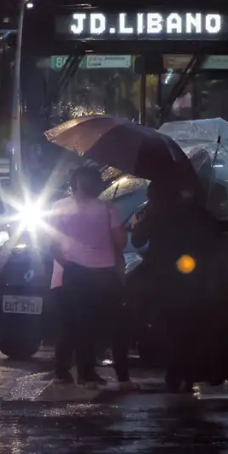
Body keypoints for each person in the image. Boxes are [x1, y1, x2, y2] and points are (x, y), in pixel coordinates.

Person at [131, 179, 228, 392]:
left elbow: (138, 241)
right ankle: (193, 373)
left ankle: (176, 374)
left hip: (166, 280)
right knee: (194, 327)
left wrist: (136, 225)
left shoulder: (155, 216)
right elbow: (216, 239)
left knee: (172, 329)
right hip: (197, 280)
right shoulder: (199, 214)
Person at [49, 165, 134, 388]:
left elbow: (51, 244)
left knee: (73, 324)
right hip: (100, 274)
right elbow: (121, 242)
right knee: (98, 324)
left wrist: (67, 264)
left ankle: (66, 371)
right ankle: (86, 372)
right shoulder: (107, 209)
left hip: (73, 273)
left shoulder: (59, 208)